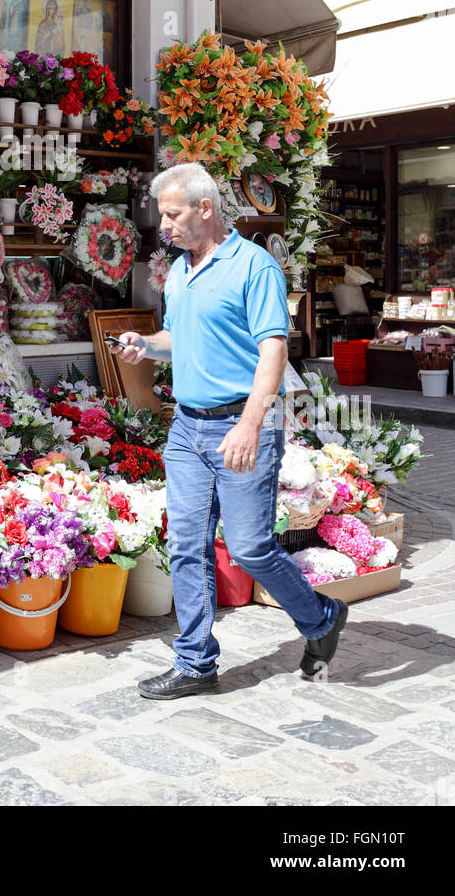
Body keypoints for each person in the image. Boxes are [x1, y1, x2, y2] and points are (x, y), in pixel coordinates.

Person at [117, 162, 347, 698]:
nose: (164, 225)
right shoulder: (179, 270)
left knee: (249, 548)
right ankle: (195, 663)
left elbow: (274, 349)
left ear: (205, 208)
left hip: (243, 424)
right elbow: (177, 337)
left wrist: (249, 424)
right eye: (161, 215)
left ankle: (320, 617)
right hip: (188, 431)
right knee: (187, 546)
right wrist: (145, 345)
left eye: (172, 214)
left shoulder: (254, 268)